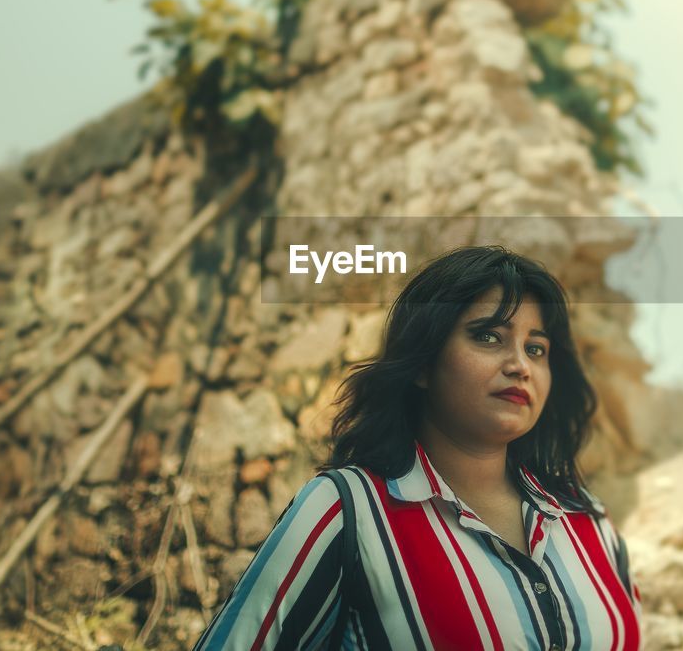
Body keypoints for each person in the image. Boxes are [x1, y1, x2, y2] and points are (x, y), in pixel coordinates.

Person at [193, 245, 642, 650]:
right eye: (488, 335)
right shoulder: (348, 510)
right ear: (423, 363)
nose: (520, 365)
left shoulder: (590, 523)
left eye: (537, 348)